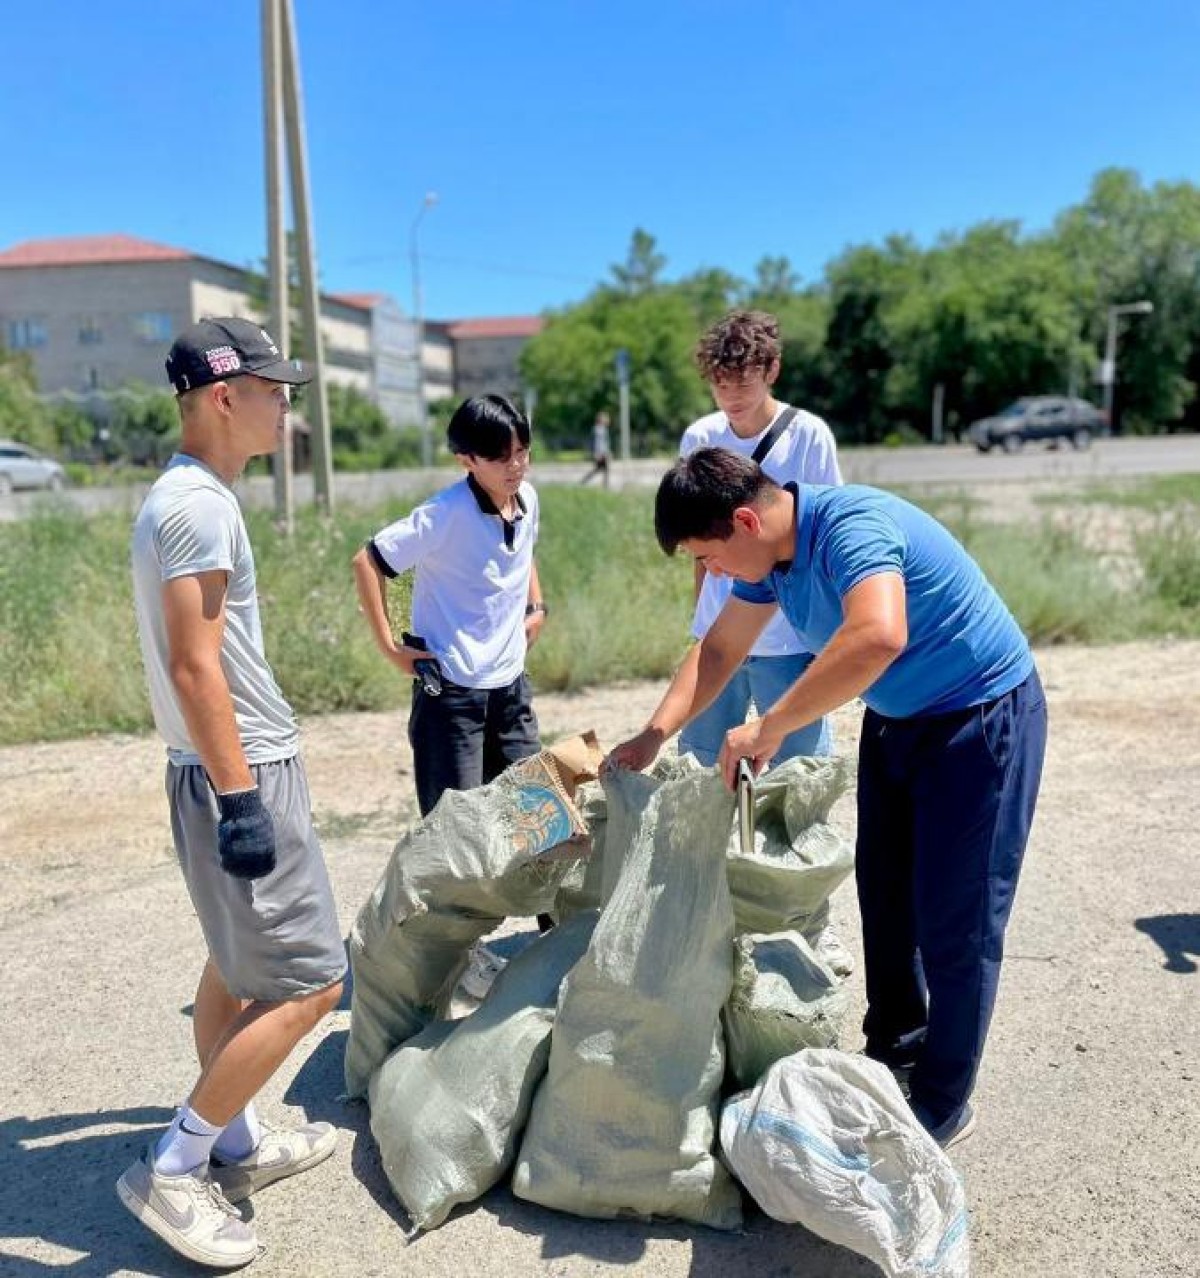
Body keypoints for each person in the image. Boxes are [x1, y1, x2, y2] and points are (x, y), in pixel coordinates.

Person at [609, 448, 1047, 1149]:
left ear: (745, 520)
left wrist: (770, 725)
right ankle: (895, 1052)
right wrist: (654, 734)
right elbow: (719, 652)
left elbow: (878, 633)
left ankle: (942, 1100)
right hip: (898, 721)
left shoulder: (851, 527)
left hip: (980, 718)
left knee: (955, 922)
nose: (710, 574)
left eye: (709, 559)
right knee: (886, 898)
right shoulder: (770, 559)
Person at [120, 318, 346, 1268]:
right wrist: (243, 799)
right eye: (272, 388)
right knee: (312, 979)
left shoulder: (186, 498)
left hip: (216, 767)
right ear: (224, 397)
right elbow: (194, 665)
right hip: (237, 768)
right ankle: (175, 1167)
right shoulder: (198, 506)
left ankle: (237, 1138)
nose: (285, 403)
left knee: (237, 966)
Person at [677, 309, 842, 767]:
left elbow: (826, 537)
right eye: (720, 384)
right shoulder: (700, 437)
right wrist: (700, 622)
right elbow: (698, 543)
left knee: (795, 772)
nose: (731, 397)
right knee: (699, 766)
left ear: (772, 371)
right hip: (720, 633)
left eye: (743, 383)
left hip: (788, 639)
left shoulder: (809, 436)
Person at [579, 410, 612, 487]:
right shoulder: (598, 430)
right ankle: (605, 485)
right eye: (605, 418)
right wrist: (597, 453)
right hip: (601, 453)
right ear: (601, 420)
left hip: (603, 452)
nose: (607, 420)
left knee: (602, 468)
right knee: (602, 468)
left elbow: (604, 443)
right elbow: (597, 443)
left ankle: (584, 482)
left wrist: (607, 451)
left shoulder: (602, 429)